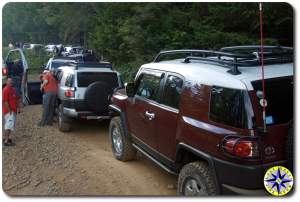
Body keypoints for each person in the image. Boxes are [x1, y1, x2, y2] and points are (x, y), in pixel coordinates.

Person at [2, 78, 19, 146]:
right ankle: (6, 141)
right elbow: (5, 101)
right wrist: (9, 111)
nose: (11, 82)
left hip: (13, 110)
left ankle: (7, 138)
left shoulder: (13, 89)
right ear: (6, 82)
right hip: (9, 111)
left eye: (11, 81)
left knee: (9, 125)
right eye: (9, 81)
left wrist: (18, 107)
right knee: (8, 125)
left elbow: (16, 98)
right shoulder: (6, 89)